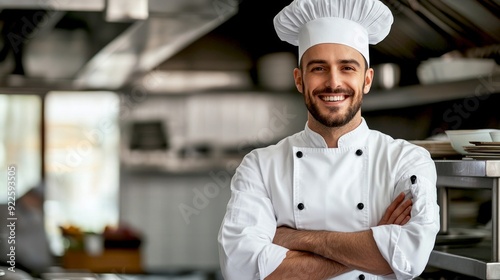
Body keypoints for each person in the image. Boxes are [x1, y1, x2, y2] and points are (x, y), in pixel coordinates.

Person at [217, 0, 440, 279]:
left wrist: (298, 239)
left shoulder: (406, 160)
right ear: (299, 80)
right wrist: (374, 245)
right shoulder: (260, 166)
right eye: (319, 68)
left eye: (347, 68)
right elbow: (241, 269)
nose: (333, 82)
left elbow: (408, 257)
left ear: (367, 80)